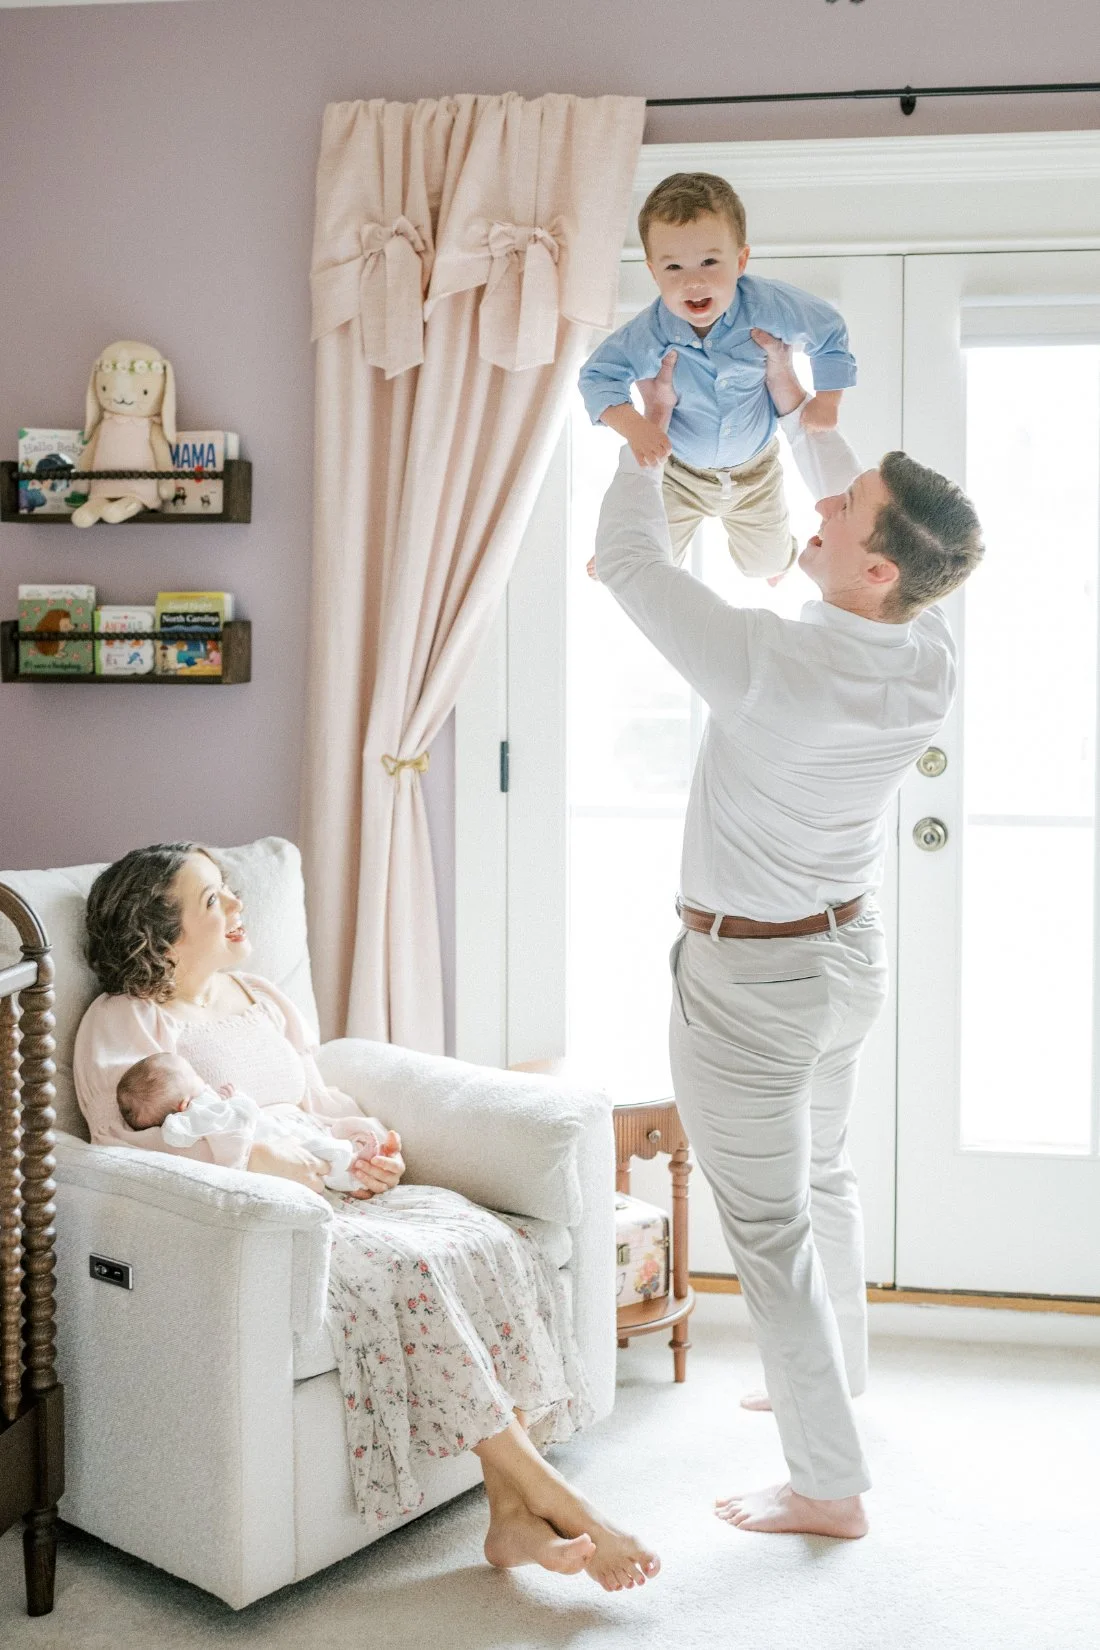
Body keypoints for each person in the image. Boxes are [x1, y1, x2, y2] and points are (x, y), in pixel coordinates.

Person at [592, 334, 984, 1540]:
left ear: (872, 567)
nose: (818, 500)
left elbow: (622, 557)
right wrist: (811, 421)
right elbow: (873, 524)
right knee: (820, 1178)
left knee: (764, 1231)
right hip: (842, 962)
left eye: (841, 504)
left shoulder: (768, 665)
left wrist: (642, 451)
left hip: (751, 980)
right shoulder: (925, 651)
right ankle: (841, 1384)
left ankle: (826, 1484)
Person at [73, 842, 659, 1591]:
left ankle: (510, 1515)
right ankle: (554, 1496)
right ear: (159, 931)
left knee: (480, 1233)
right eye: (214, 898)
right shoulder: (126, 1021)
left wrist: (369, 1146)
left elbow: (320, 1102)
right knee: (409, 1267)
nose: (237, 908)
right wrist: (265, 1165)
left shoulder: (261, 1000)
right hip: (265, 1222)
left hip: (335, 1186)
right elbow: (138, 1135)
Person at [580, 171, 856, 580]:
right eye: (673, 267)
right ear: (654, 272)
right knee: (646, 560)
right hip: (680, 474)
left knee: (762, 563)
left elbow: (827, 328)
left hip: (754, 473)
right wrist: (634, 426)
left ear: (740, 261)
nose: (693, 281)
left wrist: (828, 397)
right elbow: (597, 376)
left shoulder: (767, 306)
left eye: (710, 262)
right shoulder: (650, 333)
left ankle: (778, 561)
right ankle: (622, 551)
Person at [114, 1049, 398, 1195]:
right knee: (321, 1150)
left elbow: (318, 1097)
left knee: (321, 1145)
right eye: (197, 1079)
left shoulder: (197, 1112)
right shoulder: (196, 1114)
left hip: (288, 1130)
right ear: (184, 1103)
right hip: (274, 1146)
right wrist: (233, 1101)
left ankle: (356, 1165)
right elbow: (241, 1115)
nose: (204, 1083)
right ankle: (354, 1165)